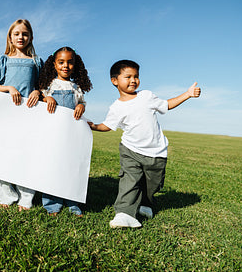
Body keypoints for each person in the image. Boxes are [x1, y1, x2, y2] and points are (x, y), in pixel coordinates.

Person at [88, 59, 201, 228]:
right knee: (130, 180)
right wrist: (94, 126)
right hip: (130, 149)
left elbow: (167, 105)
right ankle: (124, 214)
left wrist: (188, 94)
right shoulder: (116, 107)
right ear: (115, 80)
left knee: (152, 184)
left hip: (156, 152)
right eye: (128, 77)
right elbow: (108, 125)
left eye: (136, 76)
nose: (133, 80)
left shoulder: (146, 96)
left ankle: (145, 203)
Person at [0, 19, 44, 211]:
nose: (21, 37)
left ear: (31, 37)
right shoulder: (3, 60)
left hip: (29, 114)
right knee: (4, 152)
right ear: (10, 37)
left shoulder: (36, 61)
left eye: (25, 34)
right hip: (7, 114)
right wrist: (9, 87)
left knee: (27, 154)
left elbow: (42, 86)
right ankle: (6, 194)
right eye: (17, 34)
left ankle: (26, 197)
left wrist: (38, 92)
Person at [38, 46, 92, 216]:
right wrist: (47, 97)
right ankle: (52, 204)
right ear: (54, 64)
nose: (65, 66)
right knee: (53, 167)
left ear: (75, 65)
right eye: (61, 62)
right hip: (53, 134)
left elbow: (81, 102)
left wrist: (81, 106)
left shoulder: (76, 86)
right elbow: (41, 97)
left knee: (71, 168)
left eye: (70, 63)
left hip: (71, 135)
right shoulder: (49, 85)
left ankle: (73, 202)